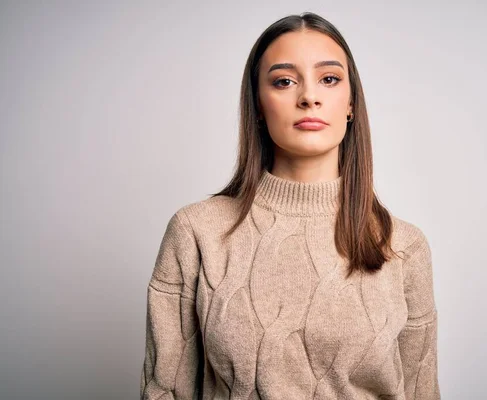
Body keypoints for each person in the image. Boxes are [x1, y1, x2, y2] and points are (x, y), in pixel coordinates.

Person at [140, 12, 440, 400]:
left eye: (329, 79)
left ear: (351, 103)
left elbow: (422, 392)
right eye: (284, 81)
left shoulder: (404, 246)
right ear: (259, 108)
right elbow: (165, 391)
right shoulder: (196, 232)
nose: (309, 97)